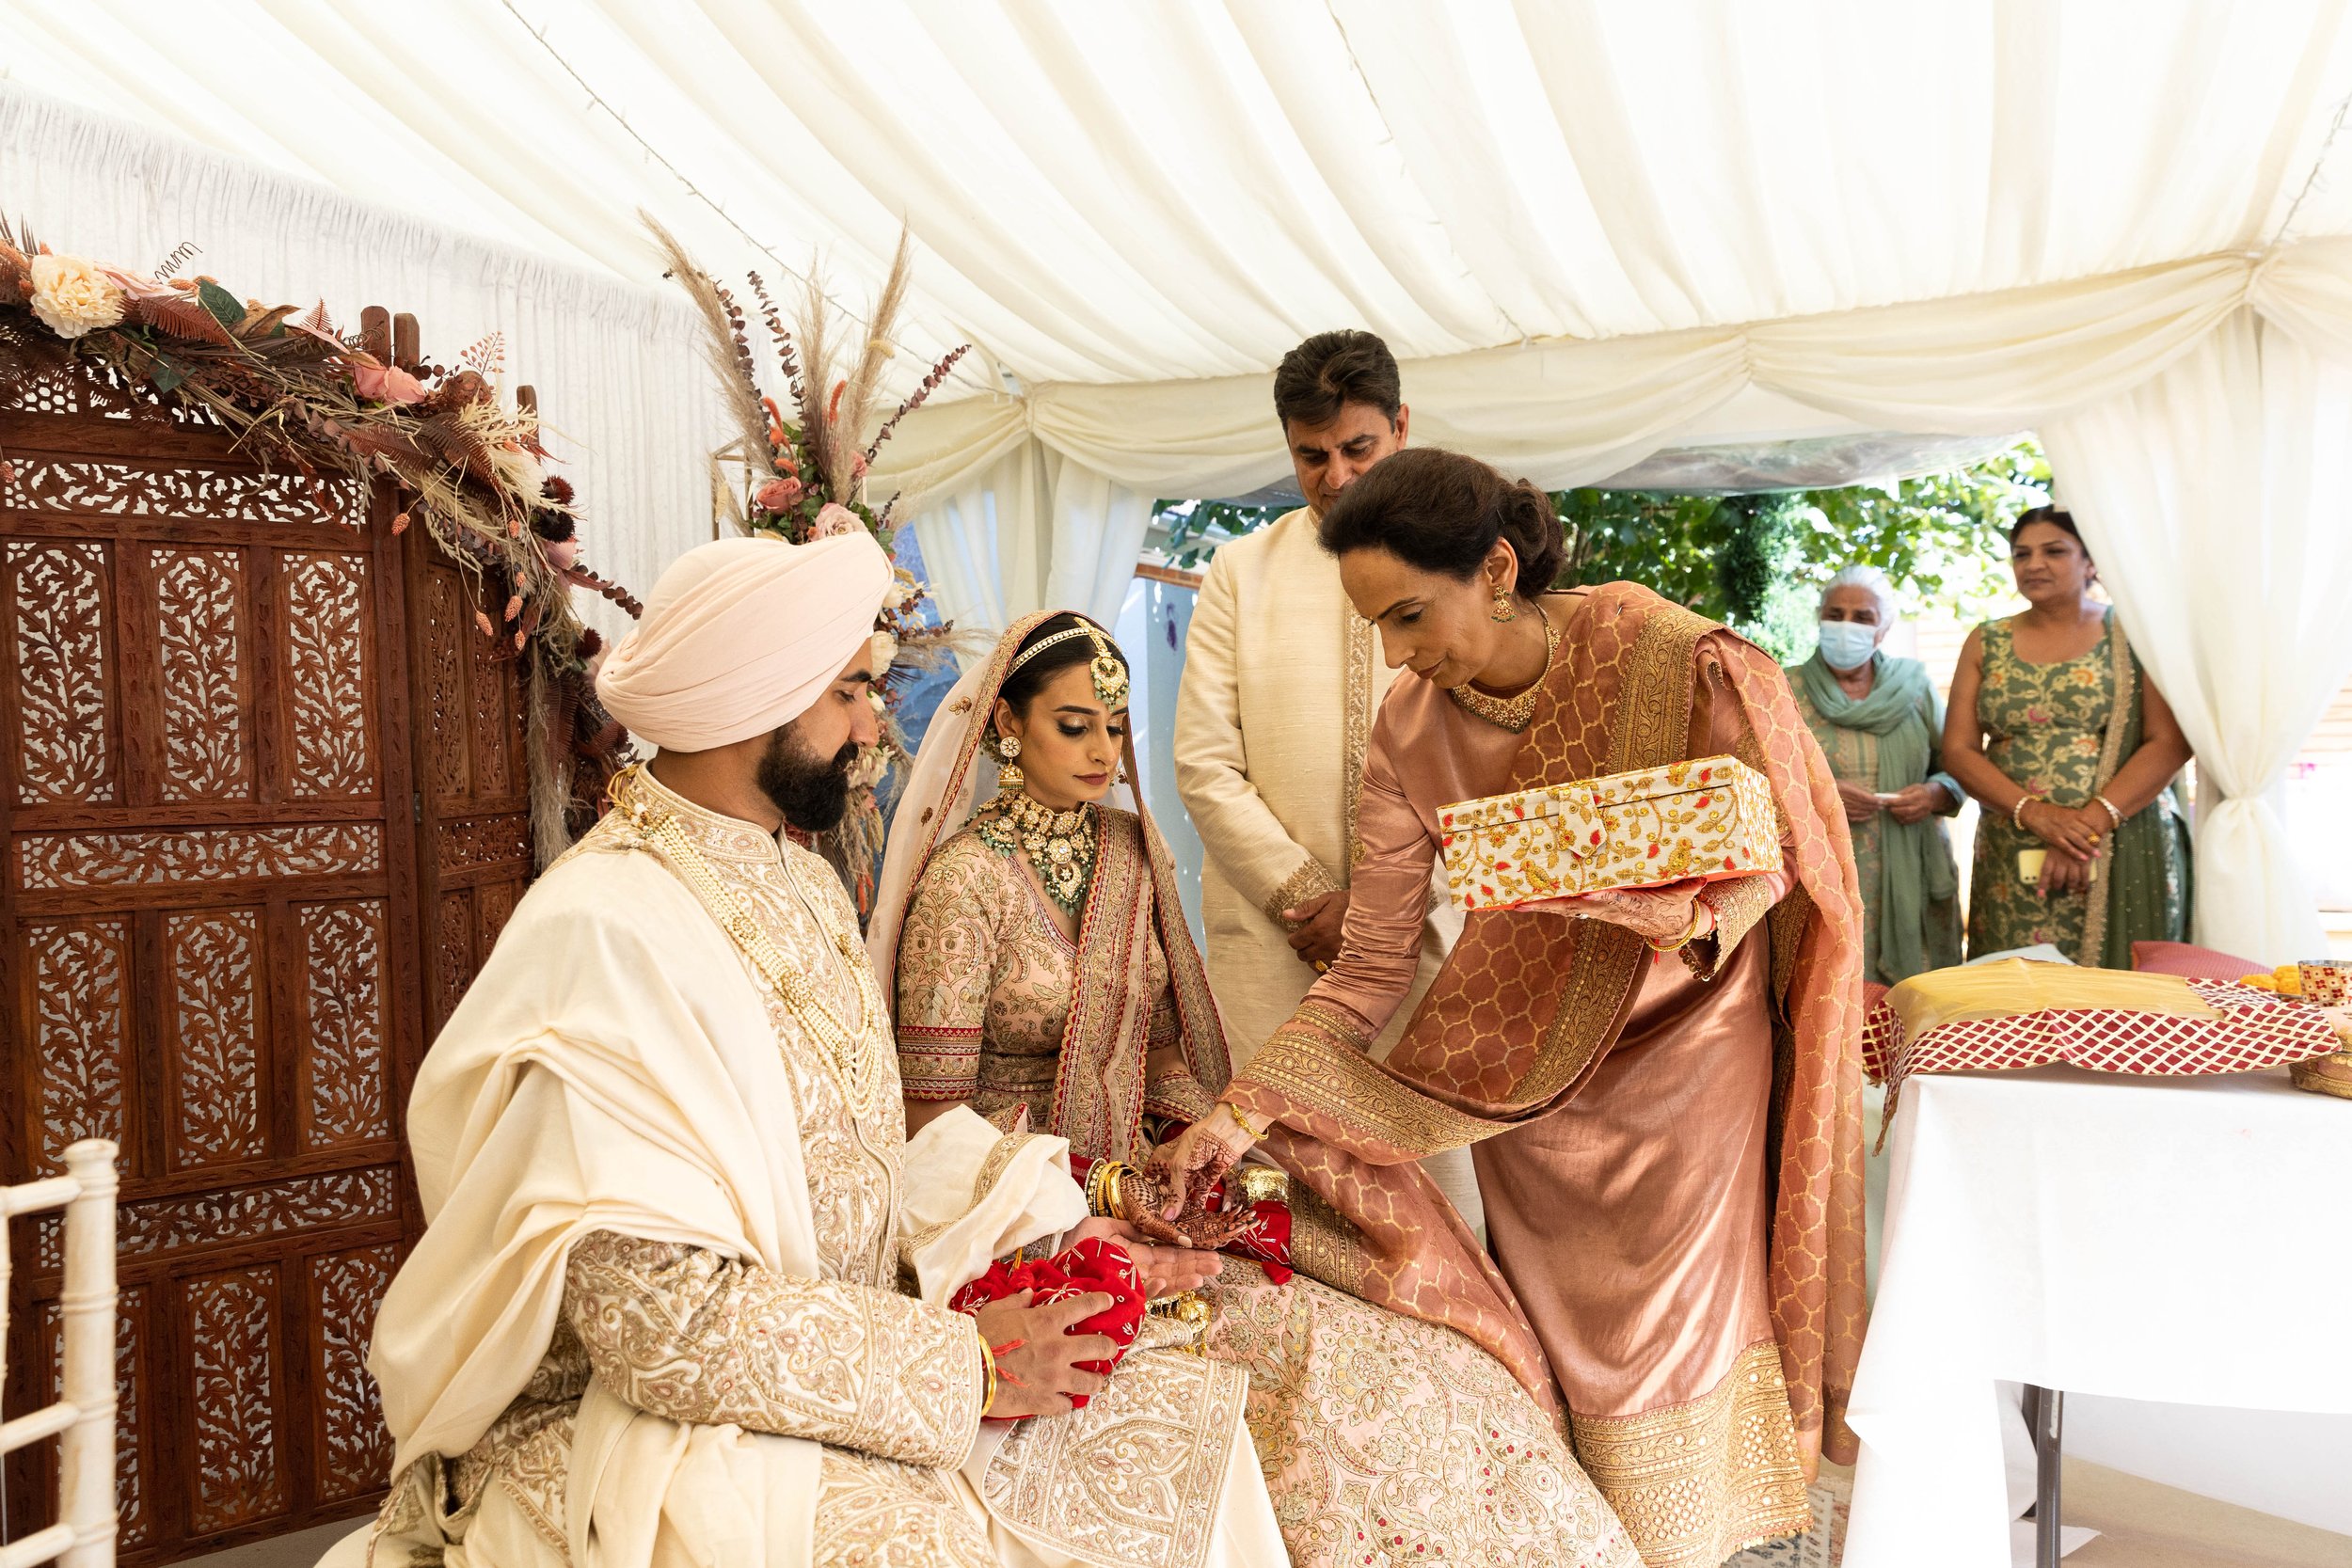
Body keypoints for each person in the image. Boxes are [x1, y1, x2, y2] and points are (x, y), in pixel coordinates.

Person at [364, 533, 1284, 1568]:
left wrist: (1066, 1218)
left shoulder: (799, 880)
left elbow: (873, 1156)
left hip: (858, 1338)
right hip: (654, 1416)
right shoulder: (606, 929)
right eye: (849, 690)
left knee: (1188, 1436)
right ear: (754, 697)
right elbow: (654, 1322)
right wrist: (967, 1369)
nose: (873, 724)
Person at [1150, 449, 1871, 1568]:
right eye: (1375, 627)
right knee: (1563, 1347)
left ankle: (1713, 1543)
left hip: (1688, 1049)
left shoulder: (1669, 657)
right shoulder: (1407, 728)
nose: (1396, 651)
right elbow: (1372, 962)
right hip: (1524, 1064)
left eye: (1408, 614)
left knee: (1668, 1334)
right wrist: (1239, 1113)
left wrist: (1679, 918)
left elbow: (1777, 847)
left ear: (1494, 566)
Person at [873, 611, 1638, 1568]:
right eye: (1074, 724)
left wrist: (1203, 1152)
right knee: (1309, 1370)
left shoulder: (1127, 851)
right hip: (1007, 1211)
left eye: (1114, 723)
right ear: (1004, 729)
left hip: (1140, 1189)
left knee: (1419, 1342)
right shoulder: (965, 881)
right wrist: (1097, 1192)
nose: (1104, 748)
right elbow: (927, 1115)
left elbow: (1159, 1051)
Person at [1173, 329, 1483, 1233]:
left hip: (1431, 933)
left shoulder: (1459, 557)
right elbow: (1203, 760)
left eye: (1359, 448)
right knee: (1282, 1191)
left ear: (1401, 427)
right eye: (1312, 456)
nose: (1337, 477)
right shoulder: (1242, 570)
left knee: (1439, 1196)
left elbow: (1491, 749)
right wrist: (1308, 901)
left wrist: (1390, 911)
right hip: (1275, 946)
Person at [1944, 507, 2193, 965]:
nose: (2034, 564)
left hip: (2121, 838)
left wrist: (2084, 831)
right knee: (2015, 991)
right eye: (2022, 554)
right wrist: (2037, 815)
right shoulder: (1987, 640)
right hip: (2011, 844)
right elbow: (1957, 751)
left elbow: (2169, 742)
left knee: (2120, 997)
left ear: (2090, 562)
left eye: (2054, 551)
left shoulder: (2134, 635)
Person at [1786, 565, 1963, 984]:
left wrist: (1935, 794)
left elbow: (1955, 766)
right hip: (1822, 875)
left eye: (1863, 617)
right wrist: (1822, 796)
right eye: (1835, 614)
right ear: (1819, 618)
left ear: (1883, 629)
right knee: (1830, 994)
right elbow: (1757, 779)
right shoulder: (1784, 688)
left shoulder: (1914, 687)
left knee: (1918, 1000)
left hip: (1914, 871)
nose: (1846, 626)